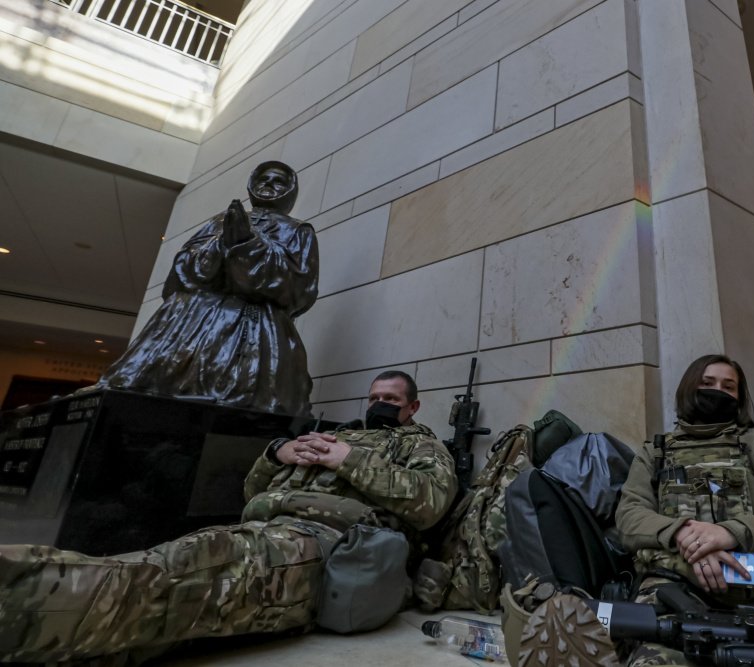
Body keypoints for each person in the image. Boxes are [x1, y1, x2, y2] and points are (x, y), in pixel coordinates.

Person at [0, 370, 457, 665]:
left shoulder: (418, 445)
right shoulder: (335, 433)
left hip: (325, 544)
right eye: (375, 396)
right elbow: (254, 493)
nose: (380, 403)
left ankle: (16, 594)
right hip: (263, 528)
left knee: (173, 574)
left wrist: (347, 461)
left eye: (392, 399)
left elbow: (430, 504)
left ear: (412, 407)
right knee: (166, 596)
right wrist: (278, 452)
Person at [613, 354, 754, 667]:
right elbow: (629, 518)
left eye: (729, 386)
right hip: (675, 587)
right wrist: (685, 536)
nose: (718, 391)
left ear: (739, 398)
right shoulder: (656, 451)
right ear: (688, 389)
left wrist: (729, 533)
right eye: (707, 383)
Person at [98, 160, 319, 416]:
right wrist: (219, 244)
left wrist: (247, 245)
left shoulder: (297, 231)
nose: (268, 184)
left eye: (278, 181)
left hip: (254, 323)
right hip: (193, 316)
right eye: (263, 179)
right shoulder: (219, 221)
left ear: (290, 190)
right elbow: (182, 269)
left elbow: (300, 288)